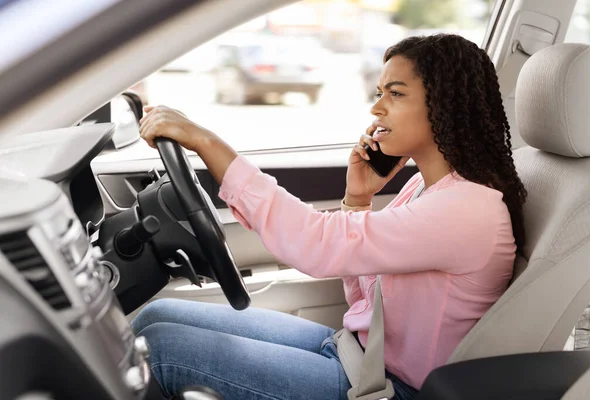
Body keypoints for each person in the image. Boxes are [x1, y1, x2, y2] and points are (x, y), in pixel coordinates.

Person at [133, 34, 527, 400]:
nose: (377, 107)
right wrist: (357, 199)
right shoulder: (428, 189)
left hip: (388, 387)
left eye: (396, 93)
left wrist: (207, 143)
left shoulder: (465, 208)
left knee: (159, 351)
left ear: (445, 105)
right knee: (155, 315)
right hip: (356, 354)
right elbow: (369, 297)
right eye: (379, 93)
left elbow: (317, 246)